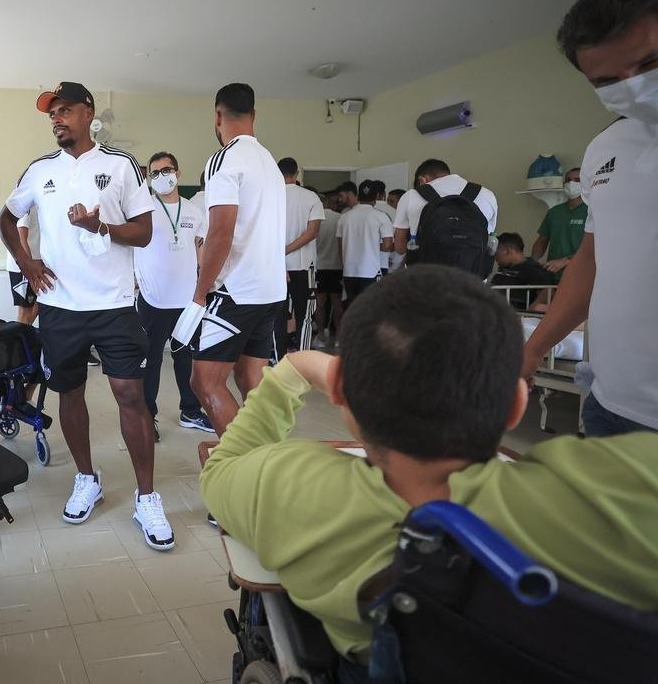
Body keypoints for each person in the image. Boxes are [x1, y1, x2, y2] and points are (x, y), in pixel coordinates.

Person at [200, 266, 658, 682]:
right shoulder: (617, 489)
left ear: (340, 392)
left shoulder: (294, 486)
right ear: (515, 407)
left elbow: (219, 469)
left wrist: (292, 373)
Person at [0, 81, 175, 550]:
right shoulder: (39, 171)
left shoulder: (120, 166)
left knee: (129, 395)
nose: (57, 118)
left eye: (65, 110)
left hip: (115, 304)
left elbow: (143, 232)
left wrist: (100, 225)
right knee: (68, 392)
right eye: (51, 113)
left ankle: (146, 497)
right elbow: (6, 217)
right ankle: (87, 479)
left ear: (88, 113)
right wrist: (26, 263)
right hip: (60, 307)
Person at [523, 0, 658, 436]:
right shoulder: (608, 148)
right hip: (610, 401)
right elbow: (591, 261)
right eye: (606, 82)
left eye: (648, 64)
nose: (634, 89)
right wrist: (533, 348)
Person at [175, 83, 286, 438]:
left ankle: (246, 466)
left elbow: (220, 234)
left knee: (204, 382)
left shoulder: (224, 158)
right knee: (250, 377)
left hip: (236, 289)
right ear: (254, 115)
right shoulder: (269, 162)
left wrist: (199, 292)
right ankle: (268, 461)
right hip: (270, 290)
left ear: (218, 116)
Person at [134, 152, 211, 433]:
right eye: (153, 173)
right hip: (153, 300)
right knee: (150, 361)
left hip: (187, 301)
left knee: (186, 358)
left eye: (165, 170)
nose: (160, 177)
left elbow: (201, 250)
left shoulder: (193, 211)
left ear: (177, 174)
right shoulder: (143, 211)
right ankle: (146, 416)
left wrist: (204, 287)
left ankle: (190, 411)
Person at [392, 158, 498, 266]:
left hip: (424, 276)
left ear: (422, 180)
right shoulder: (487, 195)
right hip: (472, 276)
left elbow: (400, 247)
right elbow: (489, 241)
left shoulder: (411, 196)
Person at [278, 157, 323, 356]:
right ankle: (303, 357)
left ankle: (278, 357)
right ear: (297, 174)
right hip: (304, 266)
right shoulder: (311, 197)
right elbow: (312, 231)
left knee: (278, 315)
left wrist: (280, 253)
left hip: (276, 267)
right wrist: (288, 249)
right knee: (304, 315)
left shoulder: (270, 196)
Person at [336, 180, 392, 307]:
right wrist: (371, 244)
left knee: (352, 308)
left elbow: (340, 247)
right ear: (377, 196)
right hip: (371, 271)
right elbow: (387, 245)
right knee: (372, 310)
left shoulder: (344, 217)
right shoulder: (381, 216)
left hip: (349, 272)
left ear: (358, 195)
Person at [531, 167, 587, 278]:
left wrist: (565, 261)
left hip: (581, 274)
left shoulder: (591, 212)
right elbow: (542, 241)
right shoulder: (554, 212)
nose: (571, 183)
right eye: (568, 179)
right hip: (553, 274)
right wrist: (532, 263)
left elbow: (594, 248)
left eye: (577, 180)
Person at [312, 190, 344, 349]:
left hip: (319, 267)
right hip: (337, 267)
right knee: (337, 303)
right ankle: (338, 337)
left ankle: (320, 337)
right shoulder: (340, 218)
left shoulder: (314, 220)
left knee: (320, 304)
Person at [492, 232, 555, 310]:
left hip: (511, 313)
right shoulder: (505, 266)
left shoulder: (531, 268)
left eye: (497, 253)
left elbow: (548, 291)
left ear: (507, 251)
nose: (495, 257)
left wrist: (530, 310)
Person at [5, 206, 42, 325]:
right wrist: (29, 269)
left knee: (40, 304)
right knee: (25, 313)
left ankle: (23, 340)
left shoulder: (38, 202)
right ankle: (18, 342)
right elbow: (21, 238)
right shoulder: (25, 202)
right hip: (24, 266)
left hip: (36, 263)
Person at [370, 180, 400, 273]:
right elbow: (396, 242)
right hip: (384, 260)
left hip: (361, 262)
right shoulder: (395, 212)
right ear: (383, 194)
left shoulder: (354, 211)